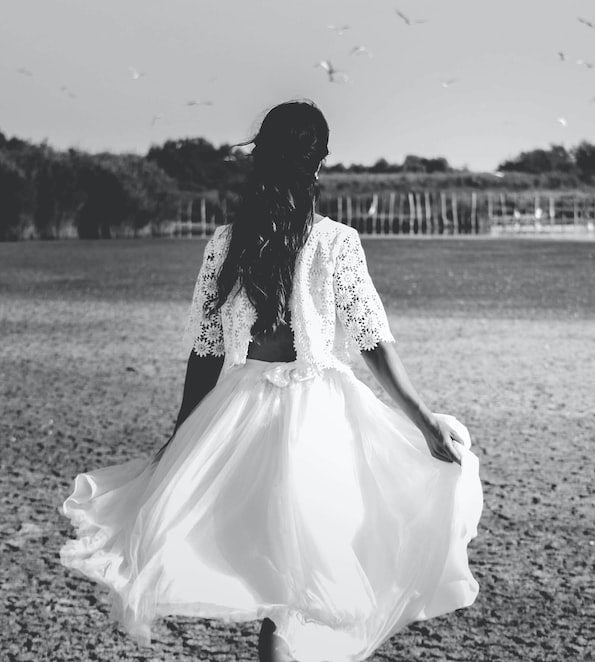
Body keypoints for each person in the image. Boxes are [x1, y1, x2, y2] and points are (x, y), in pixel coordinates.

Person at [58, 100, 483, 662]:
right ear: (320, 162)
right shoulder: (336, 241)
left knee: (282, 593)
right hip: (320, 422)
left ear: (261, 155)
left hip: (239, 416)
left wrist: (183, 438)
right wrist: (422, 419)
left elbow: (205, 354)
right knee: (303, 590)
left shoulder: (227, 243)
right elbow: (372, 342)